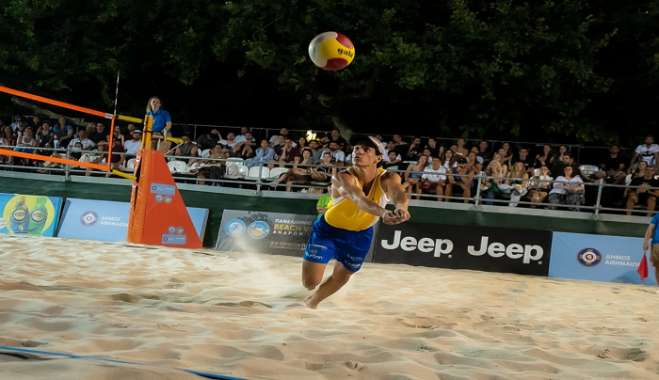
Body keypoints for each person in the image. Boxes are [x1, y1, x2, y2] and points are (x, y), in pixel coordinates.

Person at [302, 137, 410, 309]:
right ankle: (309, 292)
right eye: (356, 148)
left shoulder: (388, 177)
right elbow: (359, 199)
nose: (358, 151)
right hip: (328, 231)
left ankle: (312, 302)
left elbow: (398, 193)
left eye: (366, 149)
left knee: (342, 276)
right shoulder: (343, 176)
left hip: (360, 234)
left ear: (378, 158)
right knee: (310, 282)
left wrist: (402, 208)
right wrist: (383, 213)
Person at [643, 212, 659, 285]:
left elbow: (650, 229)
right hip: (656, 244)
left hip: (656, 244)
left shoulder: (657, 215)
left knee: (658, 268)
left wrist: (646, 242)